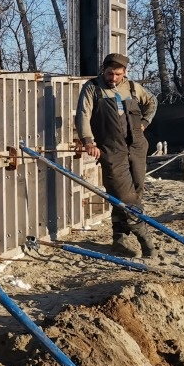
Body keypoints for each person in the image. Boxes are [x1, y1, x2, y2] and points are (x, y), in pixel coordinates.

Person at [75, 52, 158, 258]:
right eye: (110, 73)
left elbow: (152, 102)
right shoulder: (92, 88)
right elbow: (83, 115)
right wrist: (89, 142)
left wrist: (145, 122)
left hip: (137, 147)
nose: (113, 78)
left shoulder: (132, 87)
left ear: (124, 73)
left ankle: (119, 240)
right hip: (111, 150)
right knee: (125, 196)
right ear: (103, 70)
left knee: (136, 193)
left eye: (117, 74)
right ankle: (146, 241)